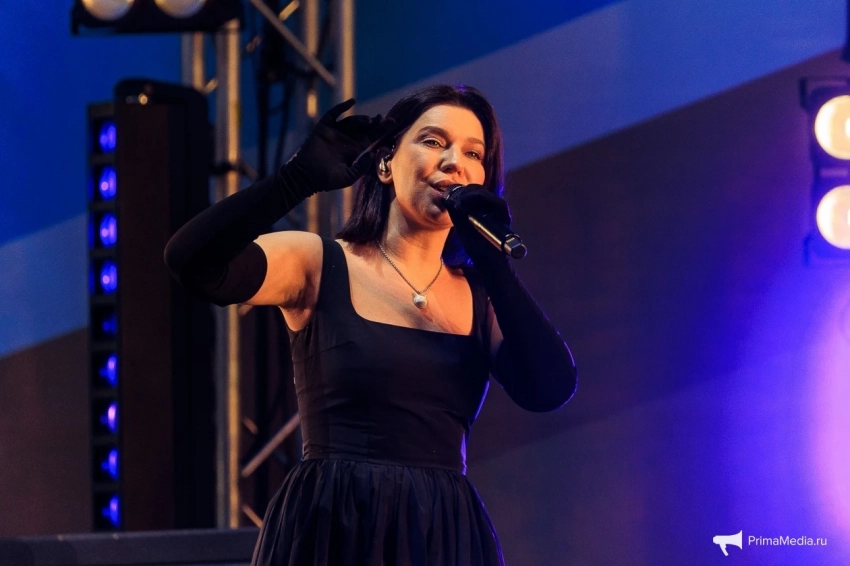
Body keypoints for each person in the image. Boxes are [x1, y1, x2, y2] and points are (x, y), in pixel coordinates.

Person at [164, 84, 577, 566]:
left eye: (473, 153)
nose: (453, 162)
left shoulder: (480, 295)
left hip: (440, 534)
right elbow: (193, 262)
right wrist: (295, 180)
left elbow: (550, 389)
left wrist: (493, 263)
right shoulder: (319, 263)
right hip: (333, 524)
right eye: (433, 141)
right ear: (385, 164)